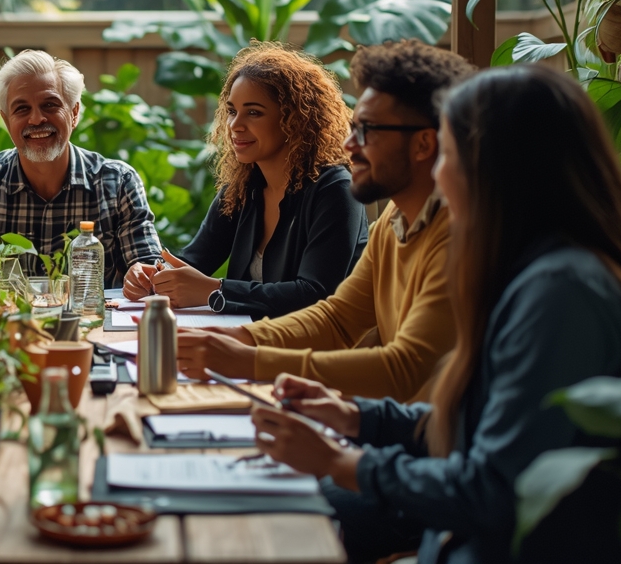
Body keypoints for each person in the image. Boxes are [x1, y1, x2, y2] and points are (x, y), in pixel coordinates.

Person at [250, 65, 621, 564]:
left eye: (448, 149)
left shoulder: (559, 294)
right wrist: (360, 417)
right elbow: (487, 426)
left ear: (495, 164)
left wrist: (344, 462)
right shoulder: (536, 271)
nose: (439, 174)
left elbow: (492, 488)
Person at [176, 40, 473, 401]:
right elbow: (336, 320)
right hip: (383, 425)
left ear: (424, 144)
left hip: (427, 444)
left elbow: (404, 369)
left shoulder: (460, 234)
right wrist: (239, 338)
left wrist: (249, 359)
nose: (349, 144)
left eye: (367, 131)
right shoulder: (393, 223)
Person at [123, 43, 368, 318]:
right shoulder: (243, 188)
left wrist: (216, 290)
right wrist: (151, 275)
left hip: (313, 352)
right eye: (231, 111)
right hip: (248, 341)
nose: (235, 125)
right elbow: (193, 263)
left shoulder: (335, 190)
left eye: (253, 112)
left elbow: (315, 294)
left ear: (295, 119)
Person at [0, 50, 162, 287]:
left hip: (92, 322)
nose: (36, 119)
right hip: (0, 322)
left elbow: (147, 264)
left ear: (74, 114)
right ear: (6, 121)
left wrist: (143, 274)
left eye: (50, 105)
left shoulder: (119, 183)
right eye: (22, 109)